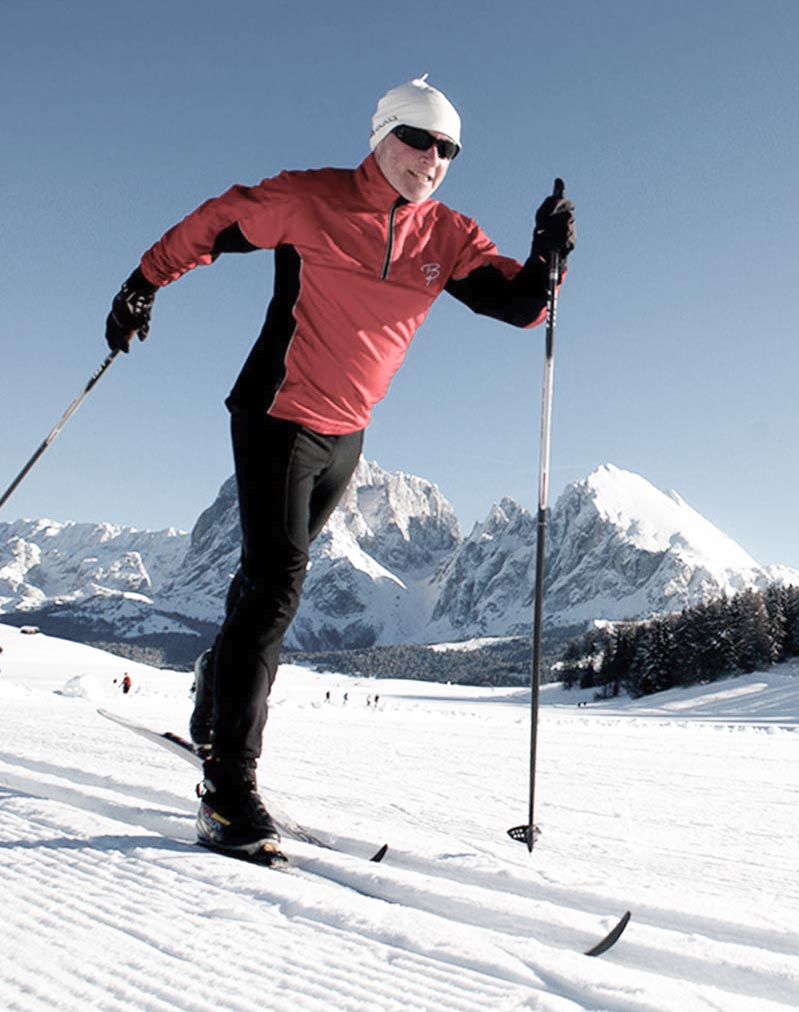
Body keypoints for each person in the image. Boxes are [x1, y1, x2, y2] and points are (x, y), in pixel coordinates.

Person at [104, 76, 575, 859]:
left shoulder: (446, 236)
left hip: (346, 435)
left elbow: (520, 307)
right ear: (382, 133)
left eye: (448, 148)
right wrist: (142, 283)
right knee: (280, 580)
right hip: (275, 414)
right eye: (418, 139)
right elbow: (215, 222)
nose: (432, 158)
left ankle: (212, 699)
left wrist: (549, 255)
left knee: (263, 579)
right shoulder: (311, 199)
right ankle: (227, 789)